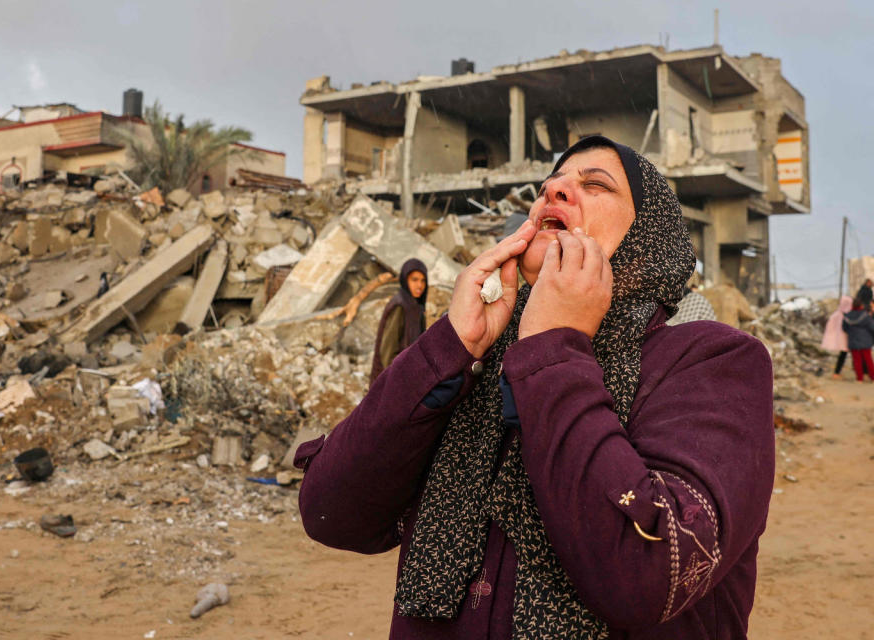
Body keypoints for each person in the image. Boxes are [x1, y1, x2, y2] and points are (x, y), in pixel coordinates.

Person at [296, 136, 774, 639]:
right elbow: (331, 514)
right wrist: (449, 348)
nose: (555, 190)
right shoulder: (482, 363)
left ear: (646, 238)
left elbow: (649, 574)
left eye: (594, 184)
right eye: (550, 184)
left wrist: (553, 348)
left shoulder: (715, 361)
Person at [369, 259, 428, 385]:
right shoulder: (399, 306)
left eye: (423, 281)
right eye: (414, 280)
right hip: (390, 381)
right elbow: (387, 352)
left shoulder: (416, 307)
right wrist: (398, 381)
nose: (419, 285)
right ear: (405, 280)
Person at [841, 298, 874, 382]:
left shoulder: (847, 316)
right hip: (865, 341)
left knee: (856, 360)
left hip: (853, 340)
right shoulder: (865, 315)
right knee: (868, 360)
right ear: (861, 305)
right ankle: (873, 377)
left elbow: (844, 328)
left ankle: (859, 378)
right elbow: (872, 327)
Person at [821, 295, 853, 379]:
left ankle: (837, 373)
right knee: (851, 355)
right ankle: (837, 373)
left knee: (843, 355)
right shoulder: (847, 316)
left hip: (840, 339)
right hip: (846, 339)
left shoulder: (835, 315)